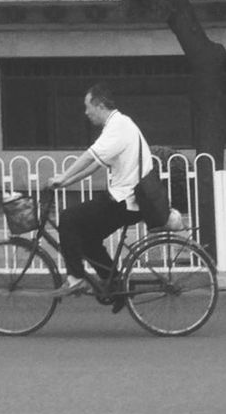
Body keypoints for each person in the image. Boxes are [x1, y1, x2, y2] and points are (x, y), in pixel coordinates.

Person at [46, 83, 182, 297]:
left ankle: (75, 279)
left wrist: (63, 175)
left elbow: (91, 155)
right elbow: (94, 165)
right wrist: (66, 182)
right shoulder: (118, 125)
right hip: (127, 200)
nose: (86, 112)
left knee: (69, 218)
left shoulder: (118, 126)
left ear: (99, 105)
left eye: (87, 106)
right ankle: (114, 284)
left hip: (125, 200)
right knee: (89, 239)